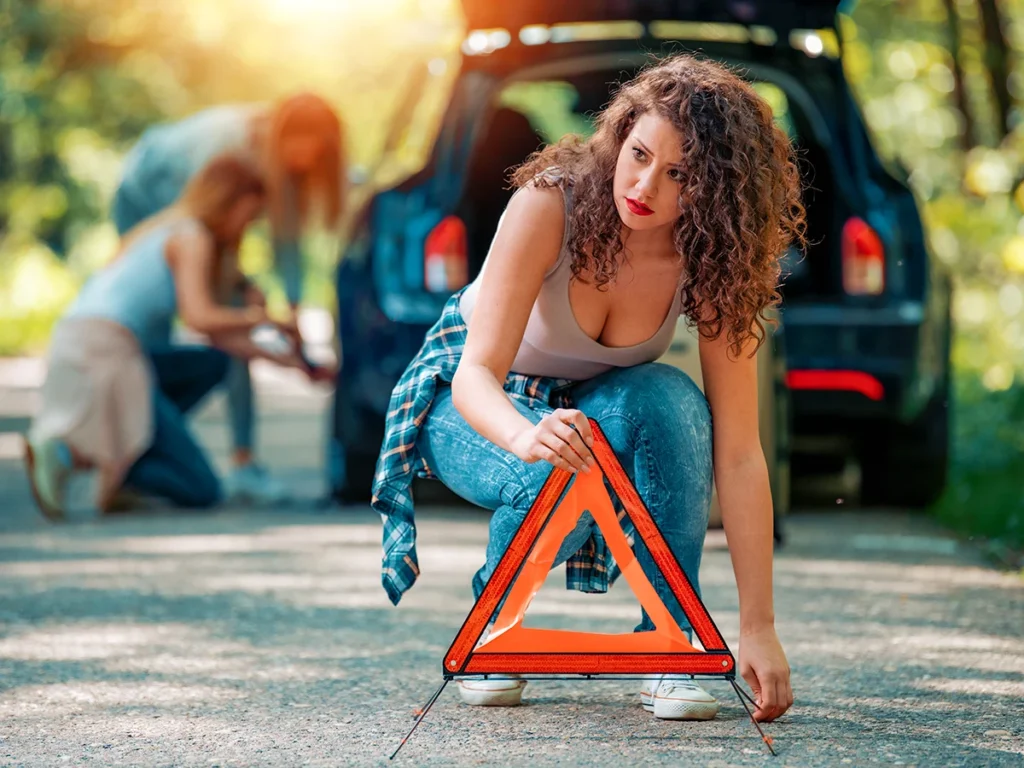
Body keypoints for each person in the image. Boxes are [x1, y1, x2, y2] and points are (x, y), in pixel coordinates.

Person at [372, 54, 805, 722]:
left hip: (585, 413)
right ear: (620, 136)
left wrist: (759, 627)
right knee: (558, 464)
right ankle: (495, 628)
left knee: (672, 400)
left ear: (717, 190)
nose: (644, 186)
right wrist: (527, 435)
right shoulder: (550, 203)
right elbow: (475, 376)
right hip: (472, 399)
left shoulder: (711, 257)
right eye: (639, 155)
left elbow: (742, 453)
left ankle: (669, 641)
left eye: (679, 174)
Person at [24, 154, 308, 520]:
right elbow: (200, 317)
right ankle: (65, 453)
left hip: (80, 343)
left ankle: (130, 460)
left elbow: (219, 340)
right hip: (106, 351)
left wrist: (290, 362)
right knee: (201, 489)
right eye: (250, 215)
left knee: (213, 364)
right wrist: (267, 319)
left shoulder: (163, 228)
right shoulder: (192, 237)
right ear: (230, 201)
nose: (247, 227)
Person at [110, 93, 345, 504]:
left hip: (195, 216)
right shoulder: (228, 147)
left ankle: (239, 461)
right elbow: (202, 220)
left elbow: (286, 248)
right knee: (161, 339)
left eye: (318, 154)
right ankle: (132, 450)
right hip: (144, 194)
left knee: (232, 319)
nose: (306, 161)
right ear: (283, 138)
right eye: (301, 149)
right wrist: (243, 297)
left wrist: (293, 328)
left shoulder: (288, 172)